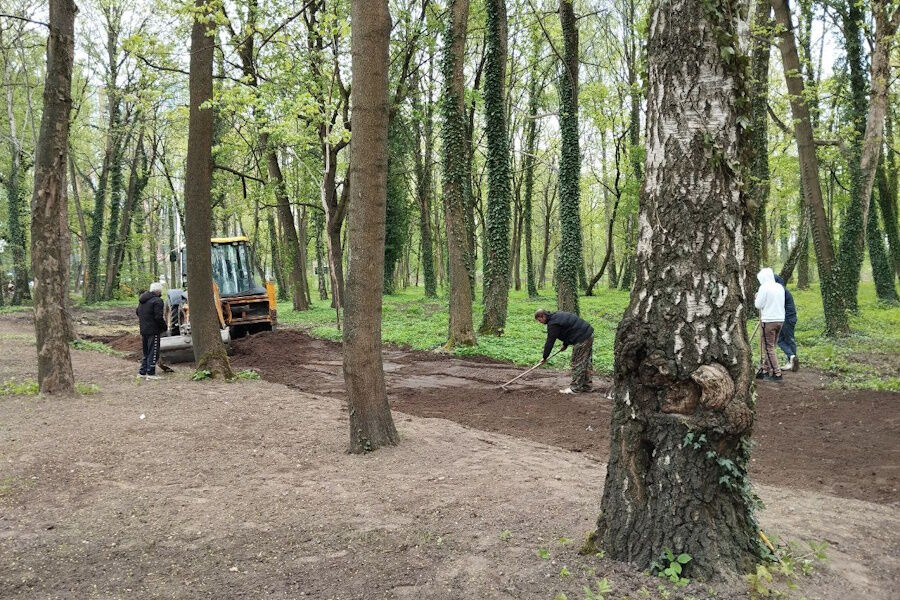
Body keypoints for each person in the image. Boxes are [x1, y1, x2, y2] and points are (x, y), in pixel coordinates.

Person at [535, 308, 594, 394]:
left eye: (540, 320)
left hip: (581, 338)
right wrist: (565, 344)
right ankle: (586, 386)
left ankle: (575, 388)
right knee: (586, 362)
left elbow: (550, 341)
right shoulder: (557, 316)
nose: (540, 322)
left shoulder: (553, 324)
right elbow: (569, 329)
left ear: (543, 316)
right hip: (588, 334)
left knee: (577, 362)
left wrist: (544, 357)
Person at [754, 267, 785, 382]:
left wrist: (757, 297)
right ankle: (765, 370)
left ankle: (777, 373)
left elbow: (758, 305)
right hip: (780, 320)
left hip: (768, 321)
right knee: (771, 347)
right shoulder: (779, 287)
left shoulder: (764, 287)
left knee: (768, 348)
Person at [136, 282, 167, 379]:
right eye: (161, 291)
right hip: (153, 330)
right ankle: (150, 373)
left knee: (146, 352)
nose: (161, 293)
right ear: (158, 291)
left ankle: (142, 372)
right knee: (153, 351)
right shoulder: (157, 301)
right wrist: (164, 327)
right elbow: (158, 317)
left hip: (143, 329)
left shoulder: (142, 300)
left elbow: (137, 312)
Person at [773, 274, 799, 372]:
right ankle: (792, 359)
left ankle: (791, 358)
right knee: (784, 339)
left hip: (786, 318)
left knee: (786, 339)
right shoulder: (781, 290)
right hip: (787, 318)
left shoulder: (780, 291)